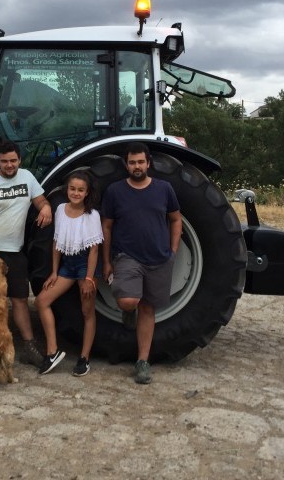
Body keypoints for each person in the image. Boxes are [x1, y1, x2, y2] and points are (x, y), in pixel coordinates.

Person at [101, 142, 182, 385]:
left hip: (158, 258)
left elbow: (175, 219)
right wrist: (106, 261)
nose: (136, 166)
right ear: (126, 165)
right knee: (129, 301)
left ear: (148, 163)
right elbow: (106, 226)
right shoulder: (115, 191)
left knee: (147, 309)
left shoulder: (164, 189)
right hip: (127, 256)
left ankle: (142, 362)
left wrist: (173, 251)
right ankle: (127, 311)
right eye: (132, 162)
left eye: (140, 162)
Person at [0, 140, 52, 368]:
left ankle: (28, 346)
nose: (9, 165)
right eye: (4, 161)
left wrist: (45, 207)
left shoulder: (27, 177)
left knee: (20, 300)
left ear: (19, 160)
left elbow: (40, 200)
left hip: (15, 252)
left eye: (13, 160)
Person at [35, 170, 103, 376]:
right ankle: (52, 351)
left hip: (85, 266)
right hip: (67, 264)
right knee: (41, 301)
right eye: (72, 189)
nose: (75, 193)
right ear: (67, 190)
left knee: (87, 311)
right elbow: (57, 242)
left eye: (80, 190)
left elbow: (94, 250)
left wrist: (90, 278)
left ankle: (84, 358)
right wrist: (54, 272)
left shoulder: (92, 215)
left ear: (86, 192)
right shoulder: (60, 209)